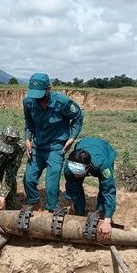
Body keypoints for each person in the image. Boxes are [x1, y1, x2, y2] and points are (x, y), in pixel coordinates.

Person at [22, 72, 84, 212]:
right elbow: (29, 121)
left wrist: (72, 137)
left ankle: (51, 208)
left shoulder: (62, 102)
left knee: (51, 183)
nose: (39, 100)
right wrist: (27, 138)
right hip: (37, 146)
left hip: (56, 147)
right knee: (28, 179)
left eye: (42, 95)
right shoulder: (28, 102)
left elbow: (78, 116)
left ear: (49, 89)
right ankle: (34, 201)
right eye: (35, 96)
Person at [63, 136, 117, 241]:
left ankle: (102, 214)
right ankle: (79, 212)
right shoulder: (69, 167)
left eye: (79, 174)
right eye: (75, 173)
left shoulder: (102, 165)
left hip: (103, 149)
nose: (76, 176)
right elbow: (72, 187)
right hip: (84, 143)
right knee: (75, 187)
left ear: (88, 168)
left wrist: (107, 221)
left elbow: (109, 191)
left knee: (104, 189)